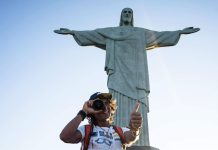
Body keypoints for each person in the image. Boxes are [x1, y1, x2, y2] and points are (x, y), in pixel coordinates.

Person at [54, 8, 200, 147]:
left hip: (137, 78)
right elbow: (94, 35)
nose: (127, 14)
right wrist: (73, 32)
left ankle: (142, 144)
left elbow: (160, 36)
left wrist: (179, 32)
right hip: (118, 75)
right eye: (125, 12)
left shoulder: (140, 33)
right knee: (117, 99)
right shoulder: (112, 32)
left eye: (130, 12)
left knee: (136, 110)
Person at [59, 92, 142, 150]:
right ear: (92, 109)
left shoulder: (119, 130)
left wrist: (134, 129)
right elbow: (65, 137)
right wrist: (84, 112)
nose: (104, 107)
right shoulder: (86, 130)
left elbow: (130, 137)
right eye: (99, 104)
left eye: (106, 103)